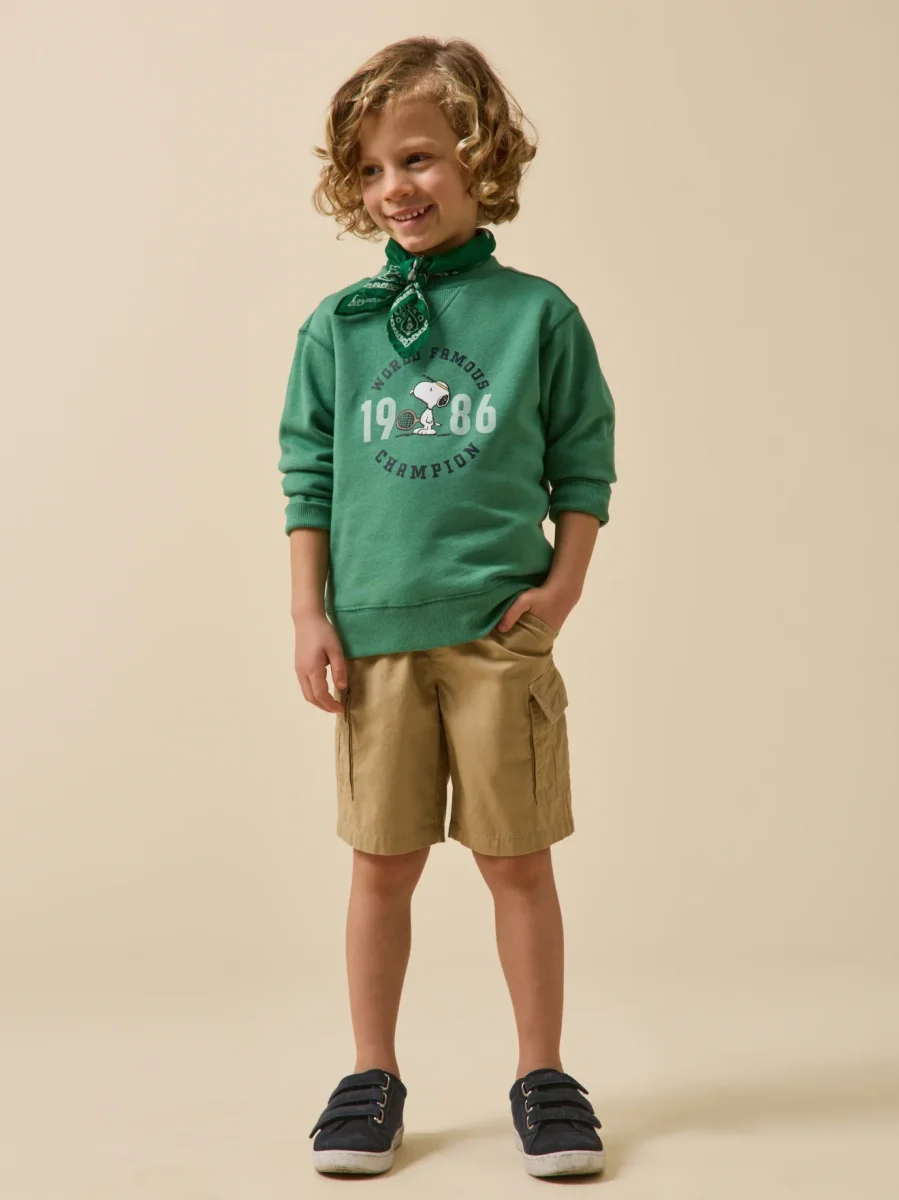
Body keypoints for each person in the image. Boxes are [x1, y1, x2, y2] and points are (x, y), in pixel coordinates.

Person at [277, 36, 616, 1179]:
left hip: (495, 641)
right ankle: (370, 1074)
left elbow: (582, 464)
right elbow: (307, 477)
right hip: (375, 642)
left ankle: (541, 1074)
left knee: (516, 861)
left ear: (477, 157)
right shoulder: (338, 328)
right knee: (381, 864)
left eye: (417, 158)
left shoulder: (537, 318)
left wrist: (561, 588)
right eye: (371, 170)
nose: (395, 189)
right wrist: (309, 614)